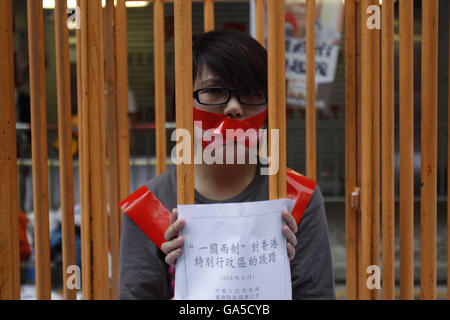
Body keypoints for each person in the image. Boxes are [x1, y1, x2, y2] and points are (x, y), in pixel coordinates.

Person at [118, 30, 335, 300]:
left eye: (251, 92)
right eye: (214, 91)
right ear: (182, 104)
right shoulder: (149, 207)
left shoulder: (298, 200)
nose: (233, 107)